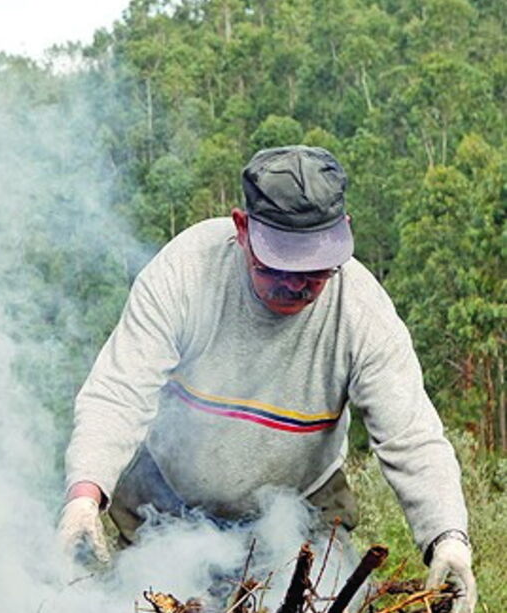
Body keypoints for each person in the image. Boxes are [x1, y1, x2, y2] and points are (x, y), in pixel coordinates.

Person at [57, 145, 477, 611]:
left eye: (316, 272)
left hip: (299, 511)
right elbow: (118, 393)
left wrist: (448, 538)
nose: (298, 285)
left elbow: (412, 436)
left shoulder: (362, 311)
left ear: (344, 235)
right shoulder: (185, 271)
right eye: (279, 267)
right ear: (242, 228)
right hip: (166, 501)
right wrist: (85, 493)